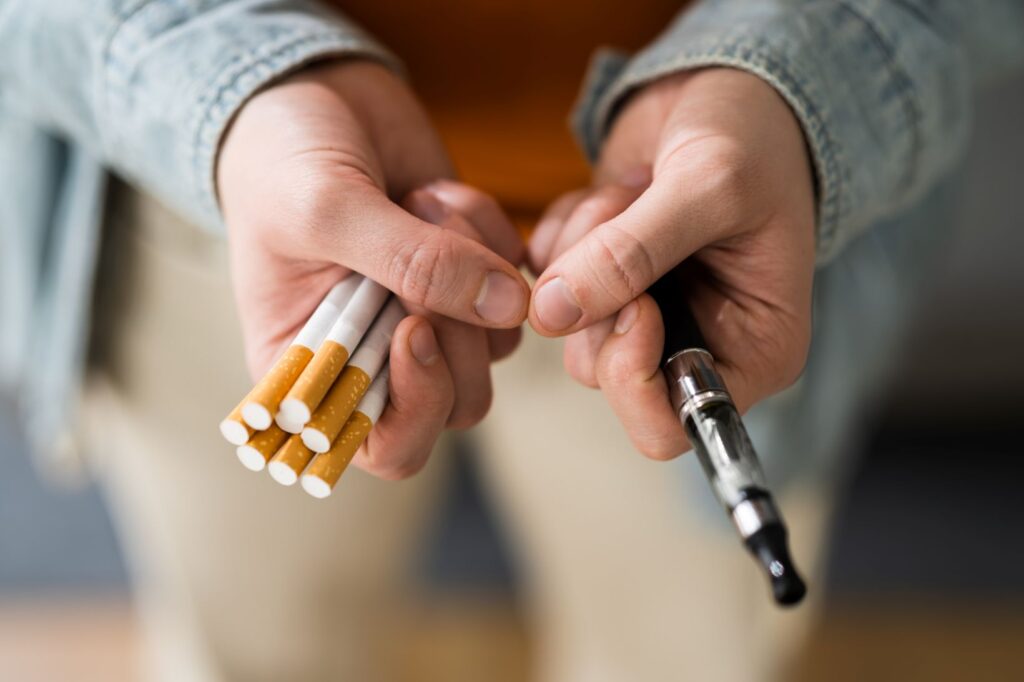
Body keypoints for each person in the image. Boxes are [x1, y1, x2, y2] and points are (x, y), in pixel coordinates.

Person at [2, 1, 1022, 680]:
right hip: (236, 214)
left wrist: (810, 71)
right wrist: (220, 83)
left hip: (705, 241)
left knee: (682, 651)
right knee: (254, 645)